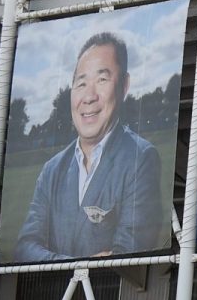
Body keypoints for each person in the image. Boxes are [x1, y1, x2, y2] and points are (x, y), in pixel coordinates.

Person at [14, 31, 166, 261]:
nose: (89, 96)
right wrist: (76, 266)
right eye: (81, 83)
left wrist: (50, 258)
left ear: (124, 86)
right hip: (51, 294)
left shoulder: (140, 158)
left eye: (102, 79)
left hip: (108, 295)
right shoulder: (52, 170)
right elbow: (25, 247)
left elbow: (129, 252)